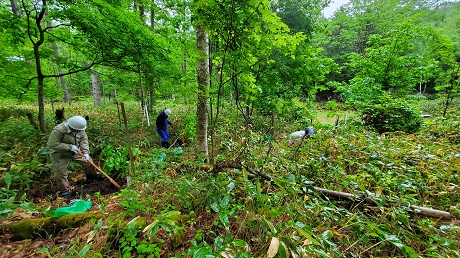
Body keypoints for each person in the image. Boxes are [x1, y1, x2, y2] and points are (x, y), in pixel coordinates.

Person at [47, 116, 101, 197]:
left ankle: (92, 177)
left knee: (88, 162)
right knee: (60, 172)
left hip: (76, 151)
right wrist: (69, 147)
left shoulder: (80, 128)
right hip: (60, 153)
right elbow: (52, 144)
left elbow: (83, 139)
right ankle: (65, 190)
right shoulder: (59, 130)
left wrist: (85, 152)